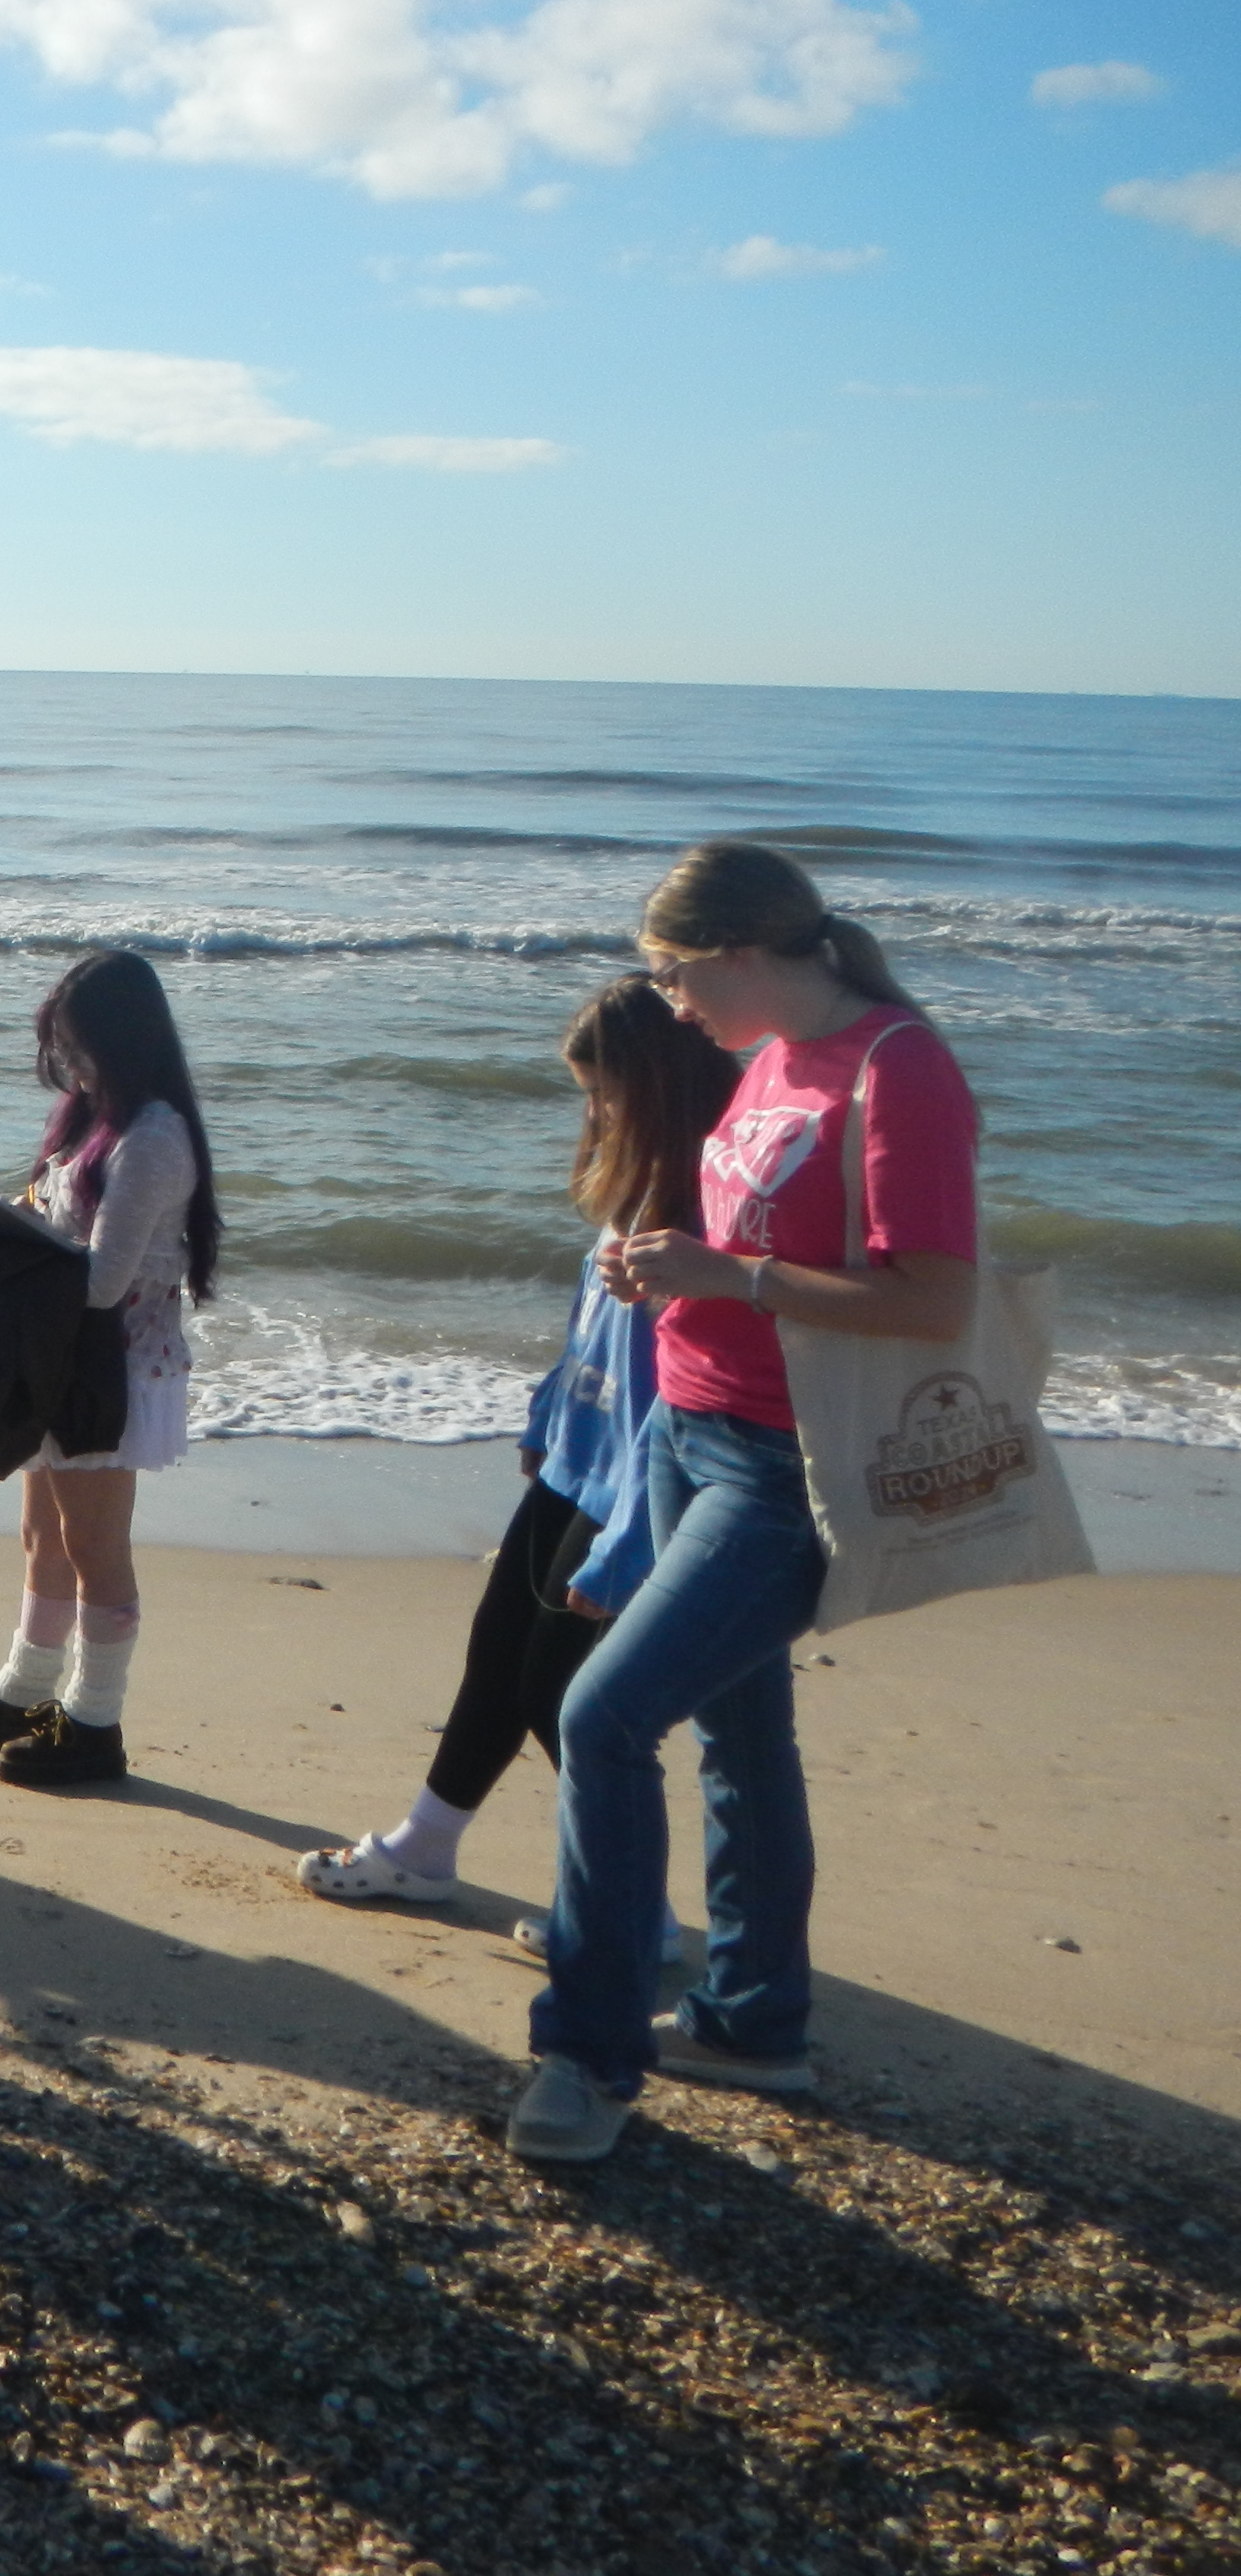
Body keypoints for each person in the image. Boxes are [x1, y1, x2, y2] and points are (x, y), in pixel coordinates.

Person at [509, 840, 980, 2164]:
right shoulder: (769, 1059)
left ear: (734, 951)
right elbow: (745, 1245)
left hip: (786, 1465)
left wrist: (727, 1276)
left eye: (670, 972)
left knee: (599, 1719)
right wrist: (657, 1269)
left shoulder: (898, 1068)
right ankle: (755, 2023)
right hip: (688, 1426)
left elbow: (931, 1297)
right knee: (738, 1735)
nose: (664, 1002)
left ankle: (588, 2057)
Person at [295, 976, 735, 1927]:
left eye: (605, 1093)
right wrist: (545, 1416)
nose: (595, 1113)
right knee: (498, 1652)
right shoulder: (647, 1185)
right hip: (581, 1451)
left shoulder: (708, 1204)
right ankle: (424, 1848)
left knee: (560, 1693)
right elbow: (595, 1332)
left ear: (657, 1086)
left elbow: (681, 1386)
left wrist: (627, 1538)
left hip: (634, 1482)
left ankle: (634, 1914)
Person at [0, 949, 219, 1788]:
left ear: (122, 1041)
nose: (71, 1067)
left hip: (112, 1367)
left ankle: (95, 1718)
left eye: (79, 1048)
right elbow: (56, 1221)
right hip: (62, 1354)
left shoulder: (154, 1136)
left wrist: (19, 1247)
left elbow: (102, 1281)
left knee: (95, 1542)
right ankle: (27, 1688)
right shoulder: (92, 1119)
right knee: (42, 1534)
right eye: (63, 1050)